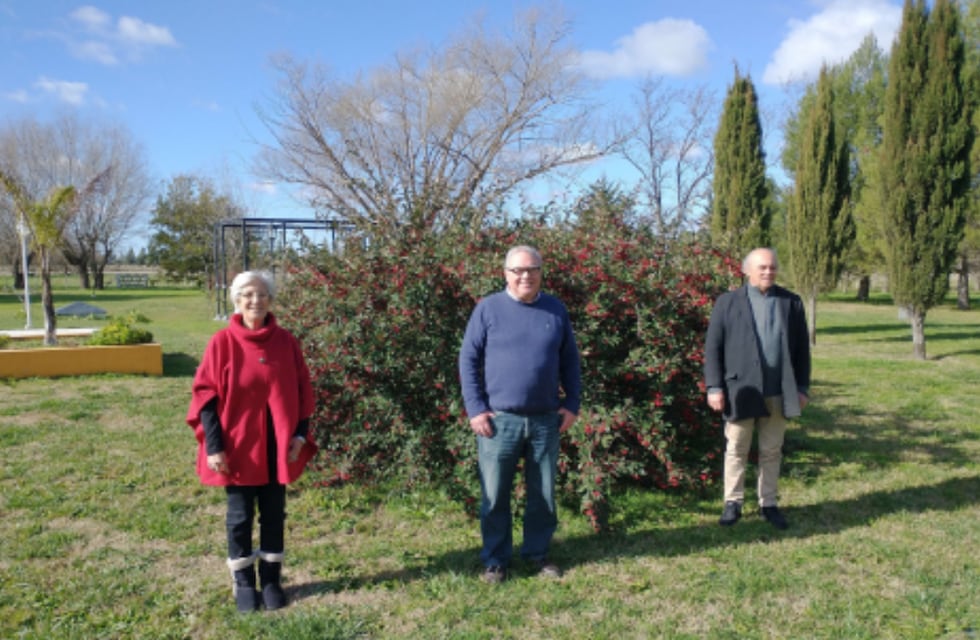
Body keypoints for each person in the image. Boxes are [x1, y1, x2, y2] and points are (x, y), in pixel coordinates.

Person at [187, 270, 317, 612]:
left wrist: (300, 434)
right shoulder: (221, 343)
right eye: (247, 294)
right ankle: (243, 582)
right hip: (238, 446)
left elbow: (304, 392)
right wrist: (214, 446)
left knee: (274, 514)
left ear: (270, 300)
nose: (255, 300)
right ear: (236, 299)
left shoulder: (287, 342)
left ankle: (271, 580)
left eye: (261, 294)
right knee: (240, 516)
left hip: (278, 445)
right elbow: (206, 397)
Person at [458, 245, 581, 583]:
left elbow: (570, 360)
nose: (525, 276)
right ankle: (495, 561)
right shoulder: (488, 310)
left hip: (545, 420)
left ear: (541, 272)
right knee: (495, 494)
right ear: (506, 274)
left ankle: (537, 554)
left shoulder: (555, 310)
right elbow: (468, 360)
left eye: (532, 269)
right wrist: (476, 409)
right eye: (518, 270)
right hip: (499, 422)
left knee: (543, 493)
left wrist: (572, 403)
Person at [703, 247, 810, 530]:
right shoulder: (727, 302)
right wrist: (714, 386)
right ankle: (732, 502)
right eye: (762, 267)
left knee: (772, 450)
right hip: (741, 389)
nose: (768, 272)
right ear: (746, 270)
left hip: (779, 390)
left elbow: (801, 351)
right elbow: (713, 348)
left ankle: (768, 504)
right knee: (736, 448)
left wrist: (802, 387)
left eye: (772, 267)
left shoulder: (792, 303)